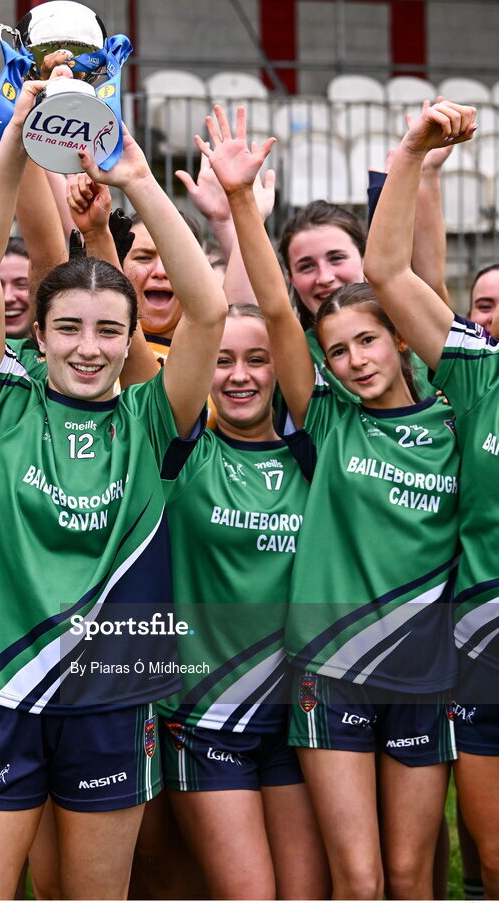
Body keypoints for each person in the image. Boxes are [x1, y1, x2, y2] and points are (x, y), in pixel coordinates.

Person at [0, 67, 226, 900]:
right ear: (42, 331)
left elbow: (206, 312)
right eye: (68, 327)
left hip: (111, 700)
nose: (89, 346)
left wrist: (135, 173)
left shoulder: (152, 416)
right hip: (0, 690)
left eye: (109, 329)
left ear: (132, 334)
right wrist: (14, 132)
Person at [204, 105, 460, 900]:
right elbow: (278, 310)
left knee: (414, 875)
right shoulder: (325, 415)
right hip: (332, 670)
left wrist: (418, 169)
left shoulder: (456, 413)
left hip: (424, 669)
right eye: (339, 347)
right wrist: (244, 203)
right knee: (359, 876)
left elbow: (426, 281)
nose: (352, 360)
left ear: (401, 339)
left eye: (369, 341)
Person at [363, 99, 499, 897]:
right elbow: (386, 272)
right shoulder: (478, 377)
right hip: (483, 656)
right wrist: (411, 151)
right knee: (489, 859)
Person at [157, 303, 330, 900]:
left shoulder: (317, 459)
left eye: (258, 359)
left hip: (299, 719)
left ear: (282, 366)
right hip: (206, 720)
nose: (239, 375)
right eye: (222, 359)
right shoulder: (182, 453)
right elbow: (131, 352)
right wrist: (100, 234)